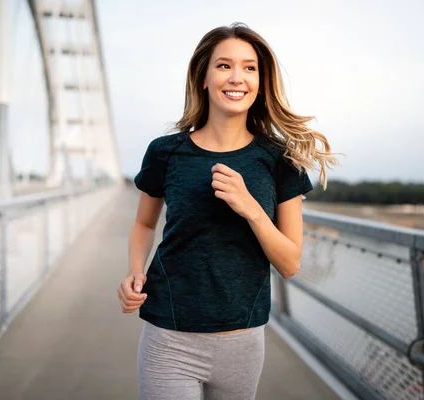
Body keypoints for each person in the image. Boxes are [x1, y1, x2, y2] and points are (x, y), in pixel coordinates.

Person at [117, 22, 337, 400]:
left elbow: (289, 263)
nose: (237, 77)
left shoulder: (279, 160)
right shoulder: (165, 152)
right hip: (169, 338)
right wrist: (135, 272)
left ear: (261, 81)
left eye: (249, 67)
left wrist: (251, 208)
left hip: (242, 342)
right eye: (224, 66)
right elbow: (143, 223)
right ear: (203, 77)